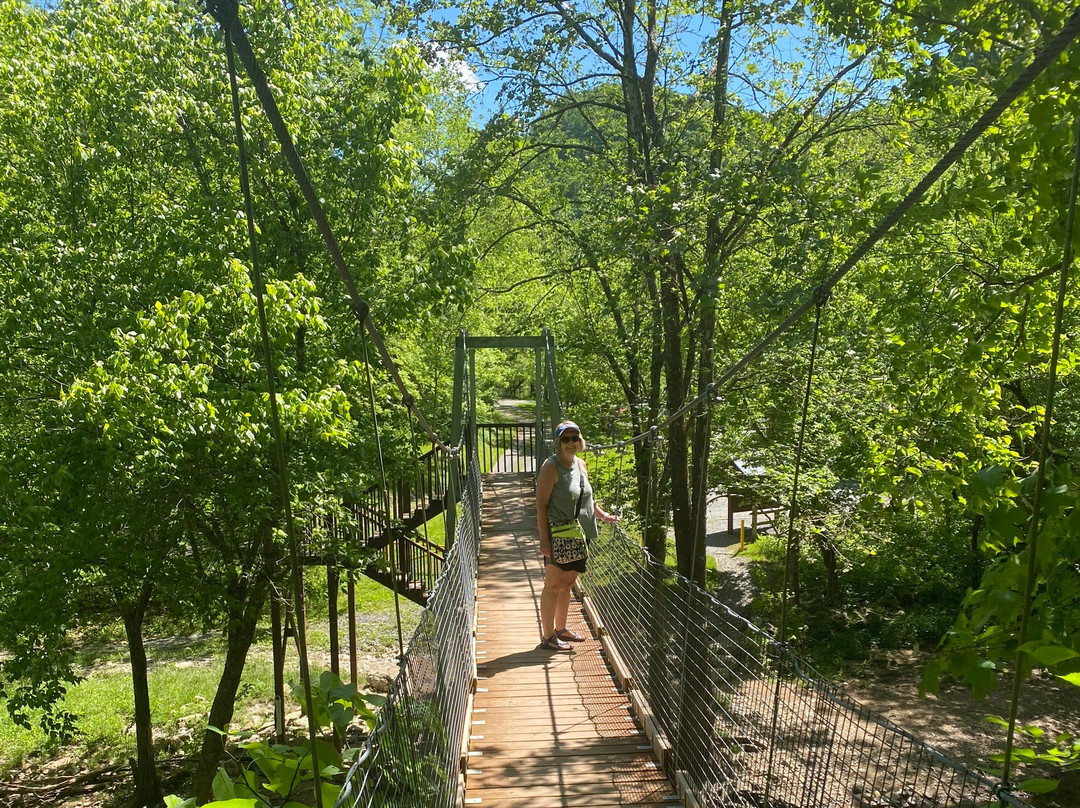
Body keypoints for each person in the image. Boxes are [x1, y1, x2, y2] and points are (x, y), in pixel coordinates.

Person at [535, 420, 619, 652]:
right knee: (553, 584)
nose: (571, 443)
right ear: (558, 443)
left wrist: (602, 516)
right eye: (565, 439)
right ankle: (548, 636)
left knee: (569, 583)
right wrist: (544, 539)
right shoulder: (550, 467)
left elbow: (586, 497)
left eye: (574, 438)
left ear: (580, 440)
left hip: (581, 535)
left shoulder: (581, 464)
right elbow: (541, 505)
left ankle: (561, 629)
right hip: (559, 534)